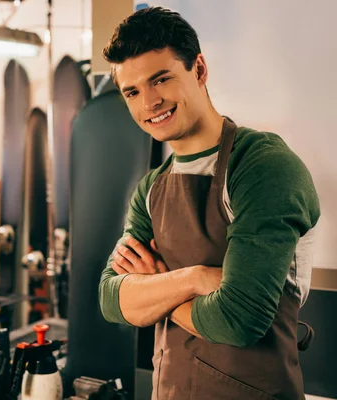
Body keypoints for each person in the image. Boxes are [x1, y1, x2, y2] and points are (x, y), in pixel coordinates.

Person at [98, 7, 320, 400]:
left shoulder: (262, 167)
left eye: (160, 79)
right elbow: (111, 300)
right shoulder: (151, 187)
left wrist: (153, 287)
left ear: (198, 70)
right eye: (132, 91)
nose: (149, 102)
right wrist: (194, 277)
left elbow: (238, 320)